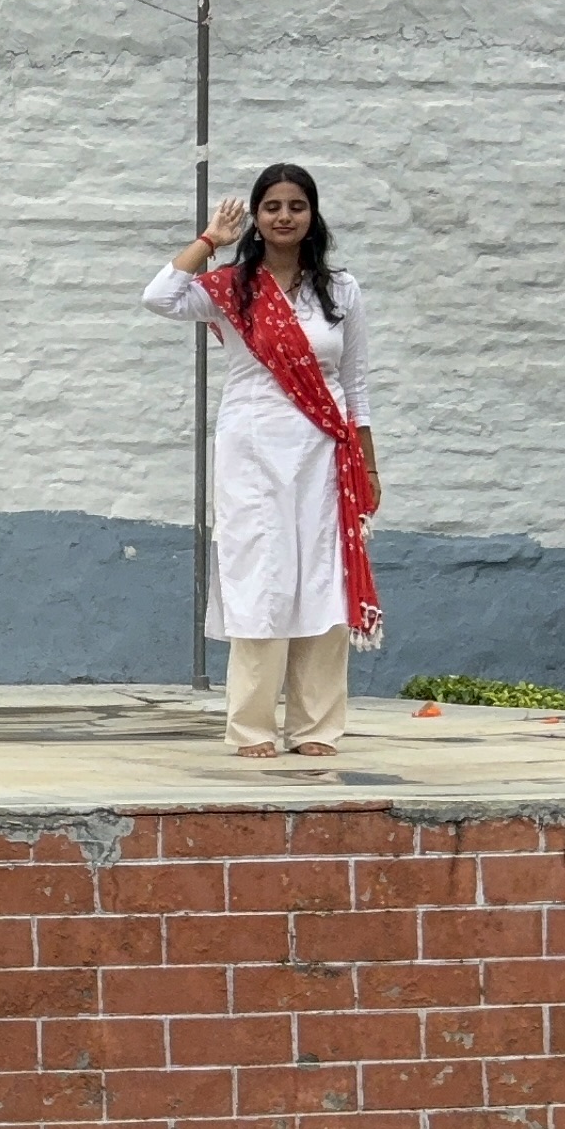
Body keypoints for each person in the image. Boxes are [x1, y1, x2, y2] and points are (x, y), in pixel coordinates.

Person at [144, 163, 382, 757]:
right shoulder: (233, 287)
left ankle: (315, 727)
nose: (284, 216)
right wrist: (210, 241)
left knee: (323, 579)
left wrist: (369, 466)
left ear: (312, 215)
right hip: (251, 448)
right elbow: (159, 296)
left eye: (296, 206)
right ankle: (251, 727)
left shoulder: (341, 290)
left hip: (323, 450)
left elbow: (355, 385)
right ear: (256, 215)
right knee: (261, 574)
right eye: (272, 206)